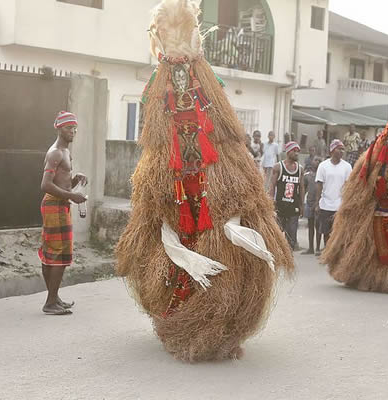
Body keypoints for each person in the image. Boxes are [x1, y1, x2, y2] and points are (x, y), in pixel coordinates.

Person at [116, 0, 294, 362]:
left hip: (218, 185)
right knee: (168, 253)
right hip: (173, 189)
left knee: (229, 258)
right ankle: (182, 325)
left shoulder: (209, 86)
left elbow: (227, 131)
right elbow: (156, 136)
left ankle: (222, 329)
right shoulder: (158, 86)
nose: (180, 79)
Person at [322, 82, 388, 293]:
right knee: (369, 243)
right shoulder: (376, 151)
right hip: (375, 207)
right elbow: (362, 180)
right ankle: (365, 275)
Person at [39, 111, 88, 315]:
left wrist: (75, 179)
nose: (73, 131)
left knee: (53, 251)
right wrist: (71, 196)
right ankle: (50, 303)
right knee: (59, 253)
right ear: (59, 128)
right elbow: (46, 185)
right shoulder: (56, 152)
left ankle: (54, 297)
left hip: (60, 204)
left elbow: (61, 179)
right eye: (69, 128)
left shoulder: (65, 152)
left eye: (75, 128)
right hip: (55, 204)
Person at [315, 139, 352, 248]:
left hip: (339, 205)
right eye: (339, 149)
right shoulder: (323, 166)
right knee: (326, 232)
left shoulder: (347, 166)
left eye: (343, 149)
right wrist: (317, 203)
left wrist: (347, 203)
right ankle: (327, 250)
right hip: (326, 204)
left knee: (338, 232)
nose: (342, 151)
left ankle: (335, 253)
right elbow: (319, 185)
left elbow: (348, 186)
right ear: (332, 150)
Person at [270, 141, 305, 249]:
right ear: (288, 151)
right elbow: (272, 186)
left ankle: (289, 256)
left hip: (293, 206)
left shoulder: (300, 169)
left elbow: (302, 188)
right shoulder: (278, 167)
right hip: (280, 205)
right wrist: (270, 203)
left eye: (298, 151)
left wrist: (302, 205)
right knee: (278, 234)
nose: (297, 153)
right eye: (294, 151)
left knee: (292, 237)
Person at [302, 156, 322, 255]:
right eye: (315, 160)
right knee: (310, 226)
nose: (317, 162)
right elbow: (304, 189)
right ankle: (310, 248)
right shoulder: (307, 176)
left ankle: (318, 248)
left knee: (318, 227)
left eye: (319, 160)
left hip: (319, 204)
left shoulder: (323, 175)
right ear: (312, 162)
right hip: (309, 203)